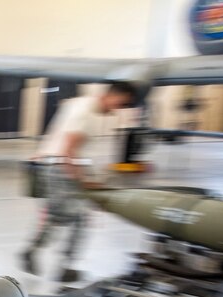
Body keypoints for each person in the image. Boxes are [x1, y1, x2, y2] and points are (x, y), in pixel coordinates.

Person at [21, 81, 138, 282]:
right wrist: (85, 181)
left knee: (58, 218)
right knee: (76, 219)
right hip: (59, 169)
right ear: (112, 95)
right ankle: (64, 266)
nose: (120, 108)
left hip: (56, 167)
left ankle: (36, 252)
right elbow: (68, 150)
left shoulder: (83, 105)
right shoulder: (86, 111)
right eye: (121, 103)